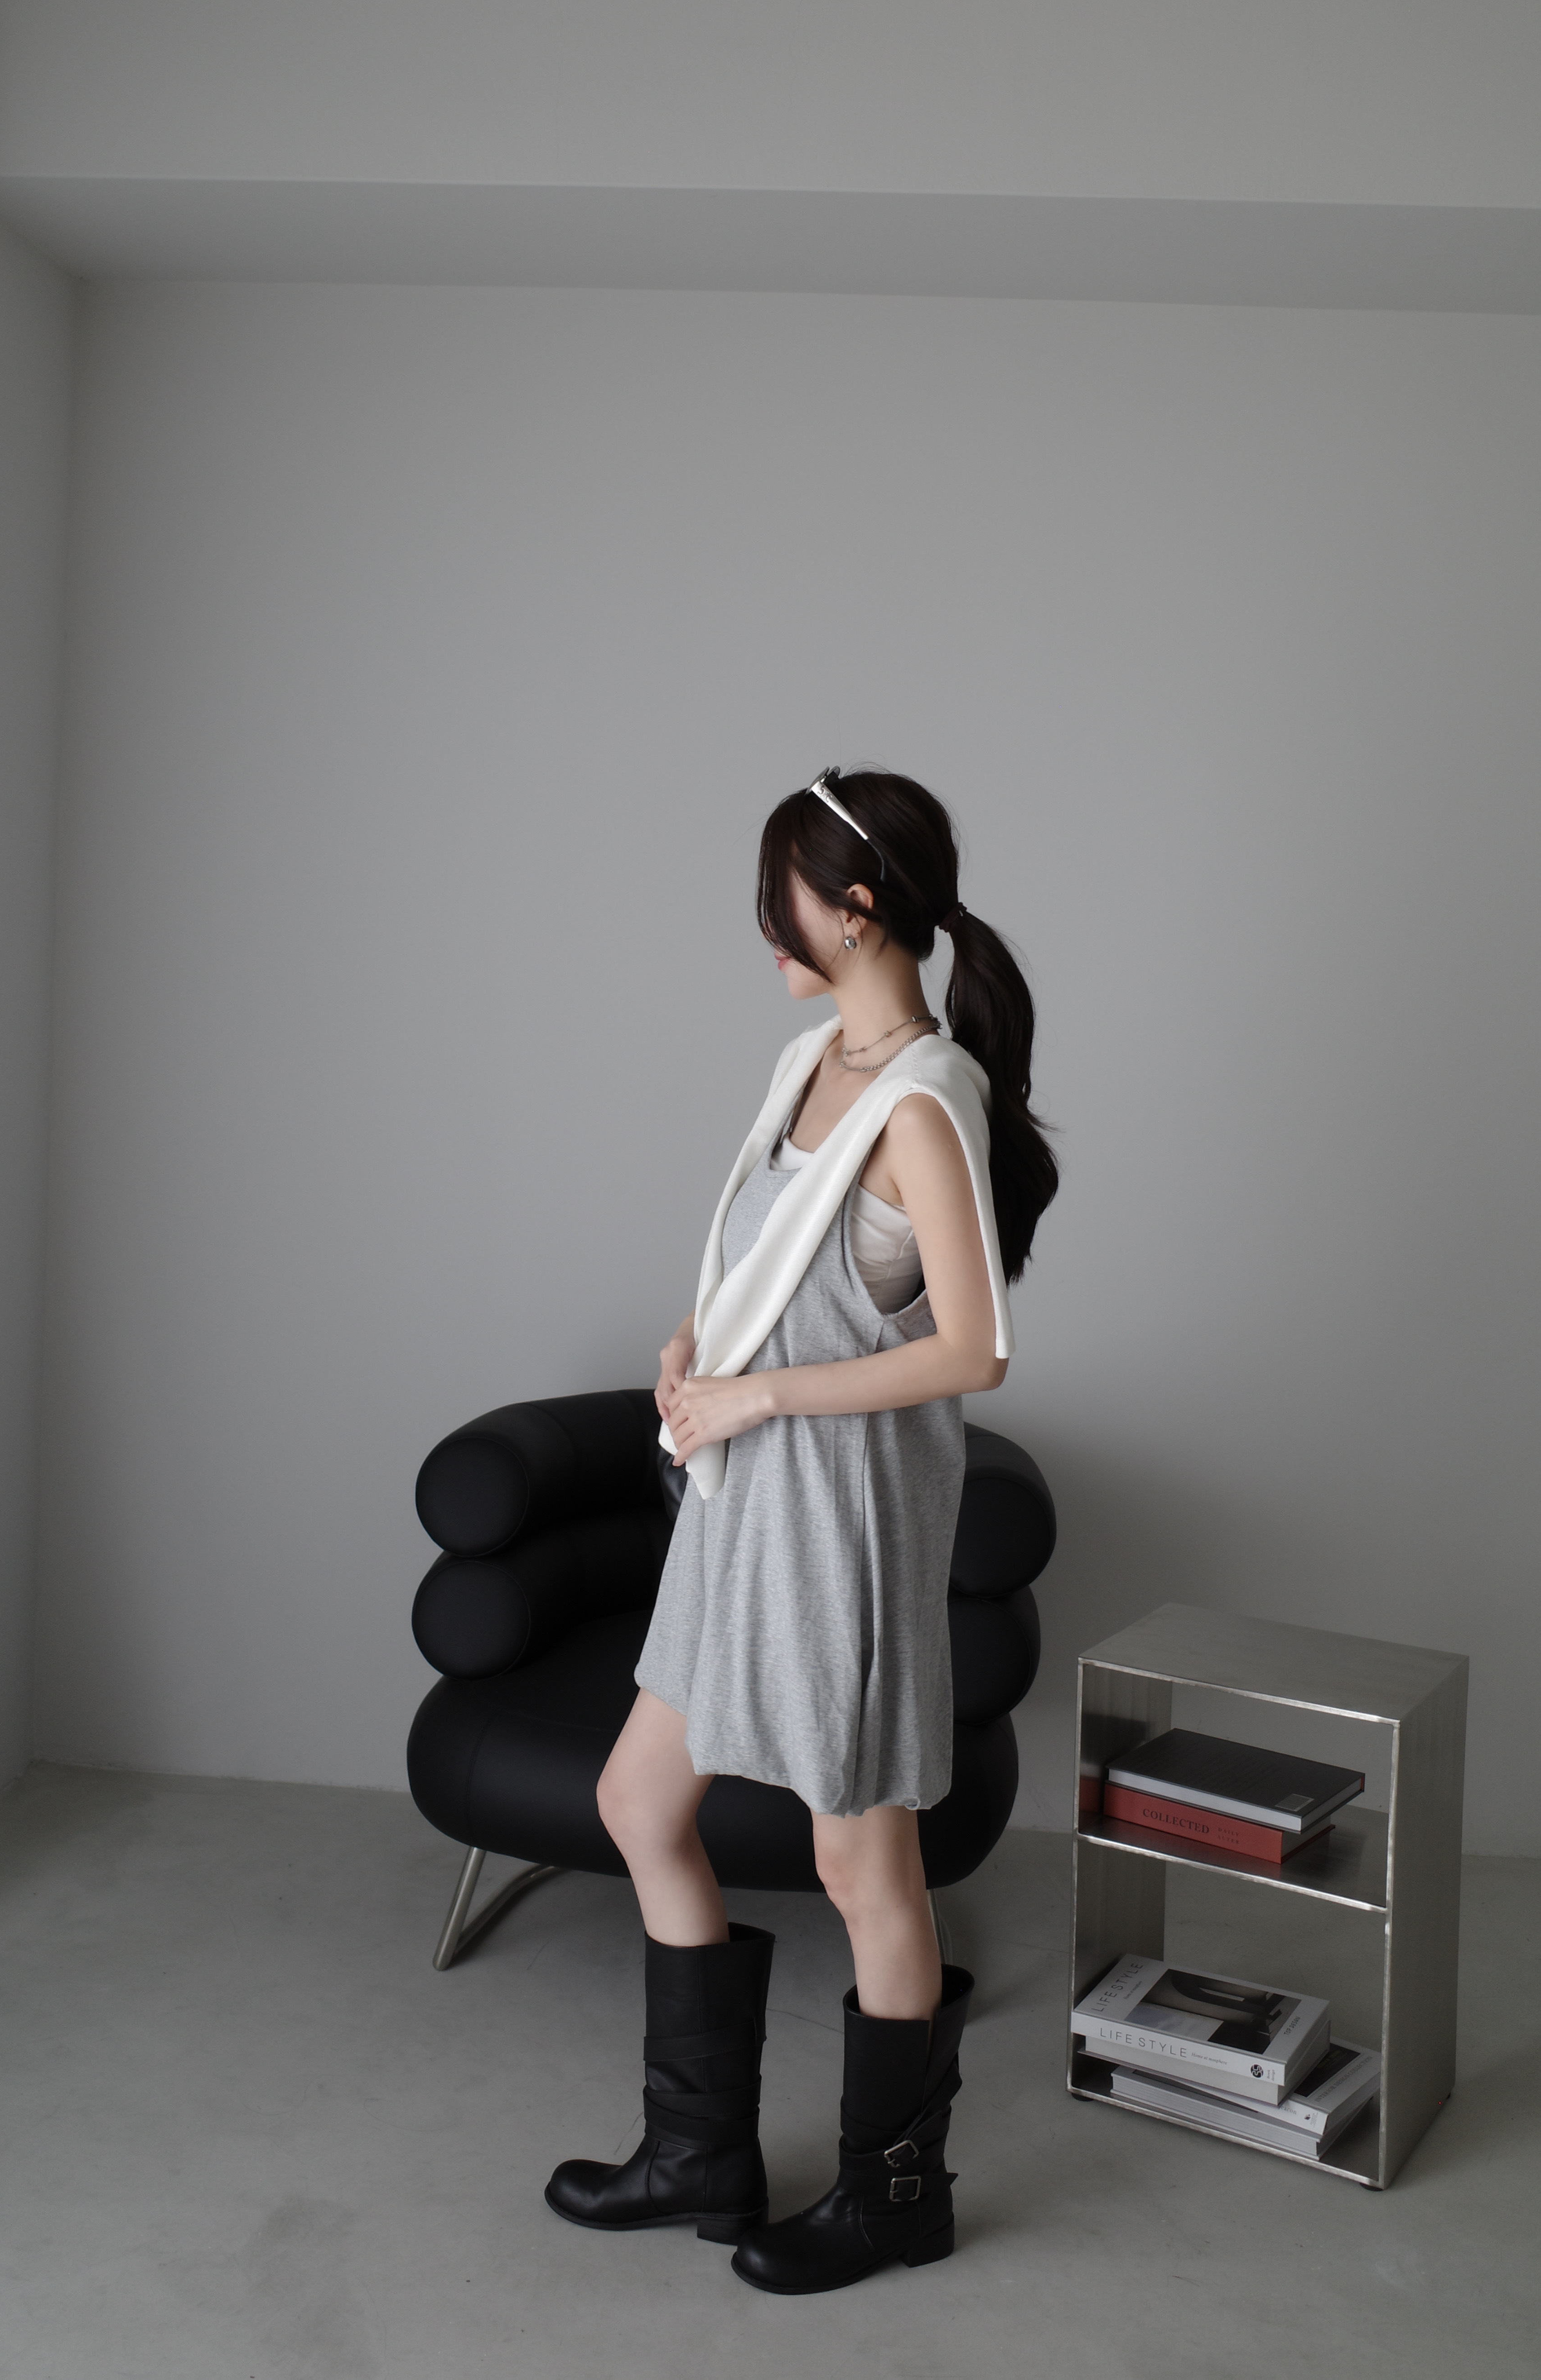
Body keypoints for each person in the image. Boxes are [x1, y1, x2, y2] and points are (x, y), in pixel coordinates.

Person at [545, 767, 1058, 2294]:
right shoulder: (812, 1060)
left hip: (839, 1524)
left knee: (861, 1866)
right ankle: (699, 2152)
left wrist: (760, 1398)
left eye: (783, 907)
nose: (766, 933)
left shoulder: (924, 1099)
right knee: (642, 1798)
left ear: (859, 909)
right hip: (738, 1508)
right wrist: (692, 1343)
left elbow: (976, 1348)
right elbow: (760, 1261)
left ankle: (895, 2197)